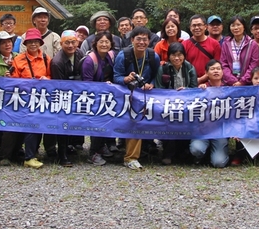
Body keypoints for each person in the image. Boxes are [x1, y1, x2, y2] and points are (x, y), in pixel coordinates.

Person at [113, 26, 158, 170]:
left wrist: (151, 84)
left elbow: (158, 76)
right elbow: (116, 77)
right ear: (132, 40)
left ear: (149, 41)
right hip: (128, 95)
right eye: (138, 39)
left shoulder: (153, 56)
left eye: (145, 39)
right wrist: (126, 79)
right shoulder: (123, 55)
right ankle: (130, 157)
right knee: (134, 123)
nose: (142, 42)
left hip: (146, 95)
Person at [6, 28, 51, 169]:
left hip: (40, 98)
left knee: (37, 126)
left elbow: (52, 77)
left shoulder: (46, 58)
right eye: (30, 42)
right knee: (29, 126)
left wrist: (47, 79)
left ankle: (31, 153)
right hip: (22, 98)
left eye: (36, 41)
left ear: (40, 43)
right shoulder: (18, 60)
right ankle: (27, 156)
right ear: (25, 44)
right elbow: (13, 81)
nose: (33, 44)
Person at [153, 42, 197, 164]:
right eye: (173, 55)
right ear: (168, 56)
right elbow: (159, 88)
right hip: (167, 104)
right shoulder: (163, 69)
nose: (177, 58)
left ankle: (183, 153)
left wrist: (186, 91)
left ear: (184, 55)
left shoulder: (190, 68)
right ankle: (168, 153)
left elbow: (195, 88)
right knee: (168, 122)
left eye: (180, 55)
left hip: (187, 104)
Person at [49, 30, 86, 166]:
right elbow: (59, 85)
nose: (71, 45)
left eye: (73, 42)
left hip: (78, 93)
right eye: (67, 43)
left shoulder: (79, 53)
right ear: (61, 44)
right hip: (63, 95)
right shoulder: (56, 62)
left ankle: (73, 145)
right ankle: (62, 154)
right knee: (63, 123)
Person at [82, 31, 117, 165]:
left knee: (107, 122)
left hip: (107, 96)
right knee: (97, 124)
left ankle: (101, 146)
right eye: (101, 42)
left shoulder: (111, 56)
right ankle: (93, 153)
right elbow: (87, 84)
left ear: (111, 44)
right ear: (95, 44)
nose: (104, 44)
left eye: (106, 42)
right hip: (93, 97)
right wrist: (103, 86)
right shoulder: (90, 60)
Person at [190, 59, 229, 168]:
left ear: (222, 72)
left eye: (218, 69)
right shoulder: (202, 89)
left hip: (220, 131)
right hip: (203, 130)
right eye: (212, 69)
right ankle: (201, 156)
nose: (216, 71)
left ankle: (215, 154)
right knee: (196, 149)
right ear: (206, 73)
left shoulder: (229, 89)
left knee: (219, 163)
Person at [220, 16, 259, 86]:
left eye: (238, 25)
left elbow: (254, 65)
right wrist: (232, 81)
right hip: (230, 85)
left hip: (248, 84)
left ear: (244, 26)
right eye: (233, 25)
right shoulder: (225, 44)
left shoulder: (252, 44)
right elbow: (223, 64)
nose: (236, 28)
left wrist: (242, 81)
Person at [183, 14, 222, 83]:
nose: (197, 27)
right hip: (190, 83)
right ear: (190, 28)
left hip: (210, 83)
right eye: (194, 25)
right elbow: (182, 66)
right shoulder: (184, 45)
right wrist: (193, 81)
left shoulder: (215, 44)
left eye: (199, 25)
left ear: (205, 27)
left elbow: (217, 66)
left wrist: (201, 79)